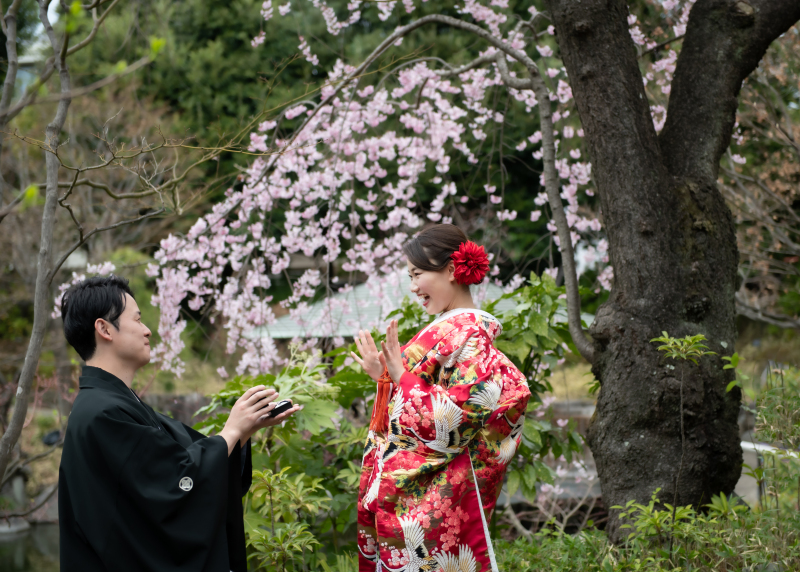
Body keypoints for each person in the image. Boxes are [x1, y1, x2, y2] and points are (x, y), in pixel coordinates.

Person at [57, 275, 302, 572]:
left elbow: (177, 458)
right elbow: (172, 483)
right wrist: (231, 431)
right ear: (104, 328)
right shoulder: (101, 413)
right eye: (137, 319)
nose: (148, 331)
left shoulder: (110, 404)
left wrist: (241, 432)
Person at [351, 224, 531, 572]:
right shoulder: (449, 329)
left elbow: (457, 420)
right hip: (409, 490)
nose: (414, 286)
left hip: (435, 496)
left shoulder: (470, 335)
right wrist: (385, 378)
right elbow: (414, 397)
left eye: (418, 274)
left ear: (451, 270)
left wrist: (402, 378)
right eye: (410, 276)